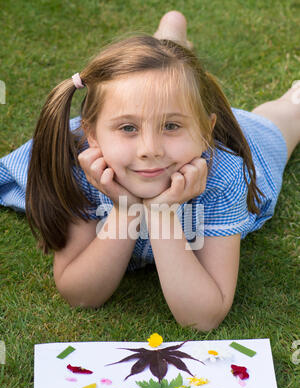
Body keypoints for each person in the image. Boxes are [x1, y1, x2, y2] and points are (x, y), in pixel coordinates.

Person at [0, 11, 299, 331]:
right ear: (92, 135)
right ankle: (169, 41)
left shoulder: (225, 177)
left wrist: (161, 213)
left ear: (205, 130)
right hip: (131, 142)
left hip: (240, 140)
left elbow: (203, 317)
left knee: (287, 117)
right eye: (128, 128)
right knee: (159, 75)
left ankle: (173, 45)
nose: (150, 148)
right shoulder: (80, 166)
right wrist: (126, 209)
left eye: (171, 125)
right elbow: (80, 294)